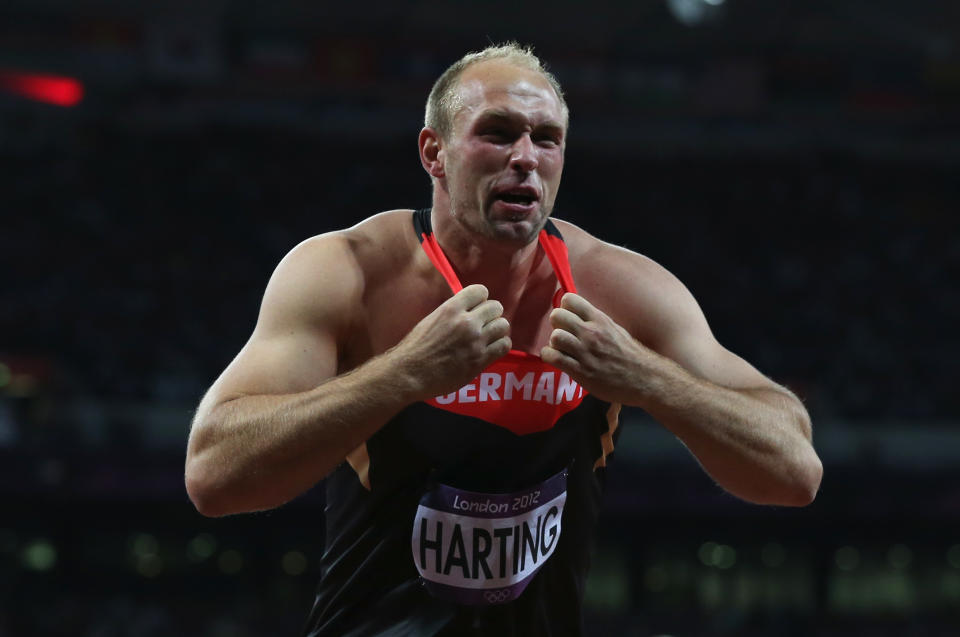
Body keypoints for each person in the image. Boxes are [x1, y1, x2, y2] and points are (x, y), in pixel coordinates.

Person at [185, 43, 822, 636]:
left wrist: (646, 379)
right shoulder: (346, 272)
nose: (526, 157)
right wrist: (402, 373)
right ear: (434, 153)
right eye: (497, 133)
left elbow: (794, 471)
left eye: (547, 140)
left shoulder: (619, 288)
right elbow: (214, 475)